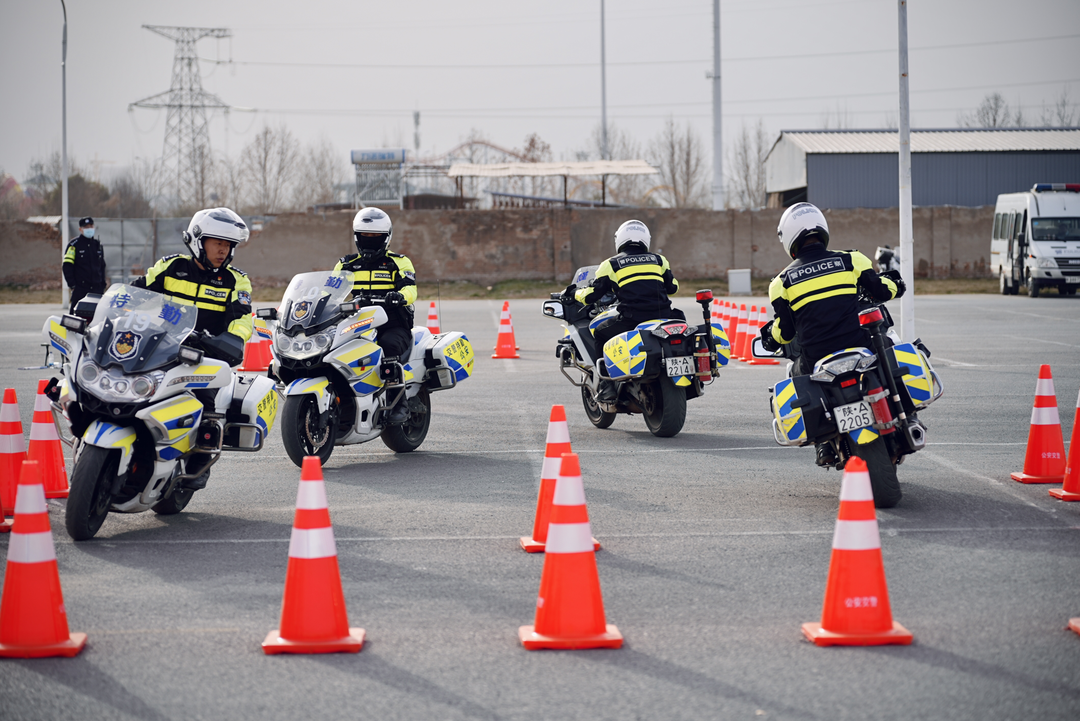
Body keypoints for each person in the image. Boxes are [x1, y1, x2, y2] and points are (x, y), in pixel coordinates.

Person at [761, 202, 905, 465]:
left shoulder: (780, 283)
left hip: (816, 358)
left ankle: (824, 444)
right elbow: (882, 290)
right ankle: (903, 413)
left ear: (789, 238)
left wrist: (770, 336)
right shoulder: (852, 259)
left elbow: (785, 330)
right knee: (889, 345)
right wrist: (896, 283)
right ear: (822, 228)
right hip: (860, 346)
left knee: (794, 372)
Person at [132, 207, 254, 489]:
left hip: (204, 355)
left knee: (205, 402)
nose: (223, 251)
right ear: (199, 242)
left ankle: (202, 455)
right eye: (218, 243)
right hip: (160, 346)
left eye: (228, 245)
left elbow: (242, 319)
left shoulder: (235, 280)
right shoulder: (171, 267)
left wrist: (232, 342)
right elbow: (137, 292)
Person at [574, 219, 683, 401]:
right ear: (646, 239)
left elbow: (591, 295)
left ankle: (606, 386)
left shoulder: (611, 264)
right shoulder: (659, 259)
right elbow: (673, 288)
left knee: (600, 333)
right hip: (663, 316)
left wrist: (577, 293)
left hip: (632, 319)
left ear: (620, 240)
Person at [334, 207, 417, 424]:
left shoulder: (398, 262)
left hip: (391, 324)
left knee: (388, 347)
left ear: (386, 238)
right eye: (365, 236)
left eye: (375, 237)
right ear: (357, 237)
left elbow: (411, 289)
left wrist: (399, 296)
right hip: (357, 324)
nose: (370, 240)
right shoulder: (346, 265)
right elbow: (328, 293)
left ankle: (399, 404)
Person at [63, 216, 107, 311]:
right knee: (75, 320)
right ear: (80, 229)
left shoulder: (98, 245)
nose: (89, 229)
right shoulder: (73, 245)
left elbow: (102, 266)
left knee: (97, 319)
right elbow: (67, 266)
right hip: (80, 290)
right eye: (86, 227)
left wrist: (103, 284)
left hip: (97, 290)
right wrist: (73, 285)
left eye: (91, 226)